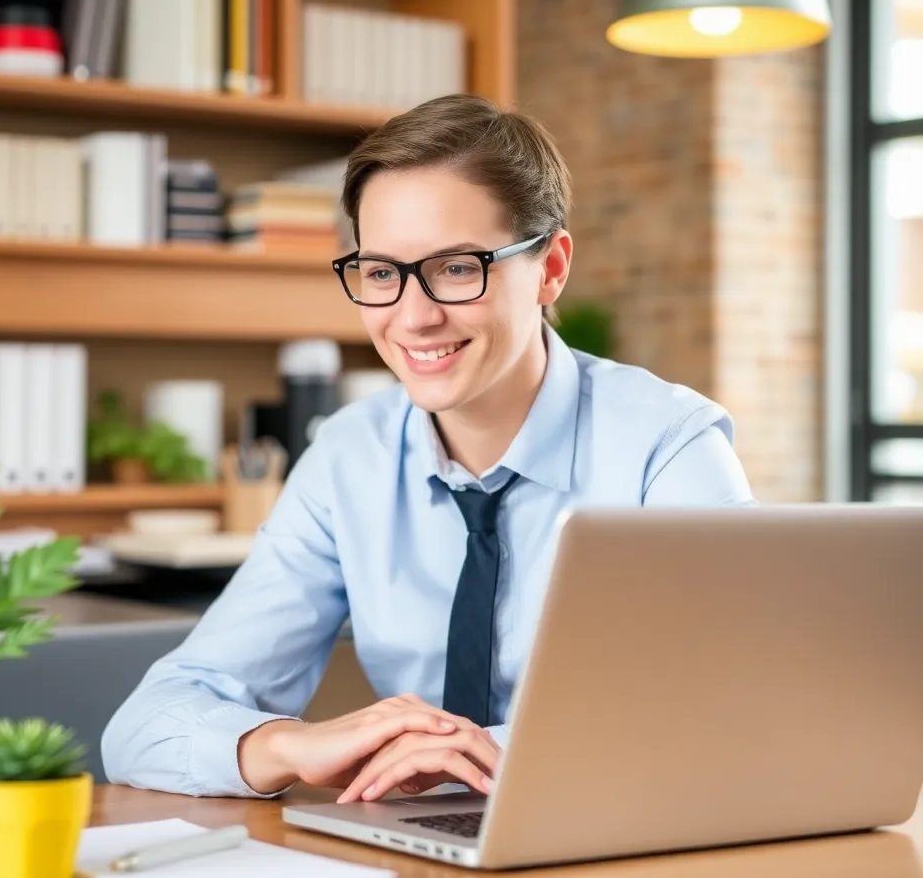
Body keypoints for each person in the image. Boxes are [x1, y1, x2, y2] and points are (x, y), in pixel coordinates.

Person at [101, 94, 755, 803]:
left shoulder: (667, 447)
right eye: (382, 273)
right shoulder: (348, 457)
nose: (413, 318)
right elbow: (141, 729)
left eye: (457, 268)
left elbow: (734, 710)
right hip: (423, 851)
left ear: (551, 268)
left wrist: (491, 756)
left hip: (628, 836)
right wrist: (290, 744)